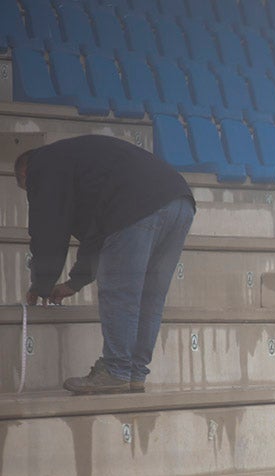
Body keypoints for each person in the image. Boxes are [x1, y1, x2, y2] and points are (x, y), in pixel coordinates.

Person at [16, 134, 196, 394]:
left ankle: (116, 371)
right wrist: (74, 282)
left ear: (25, 173)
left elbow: (48, 227)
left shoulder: (42, 165)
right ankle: (134, 372)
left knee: (121, 293)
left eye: (28, 189)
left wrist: (41, 283)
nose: (33, 192)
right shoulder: (80, 165)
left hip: (136, 203)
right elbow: (97, 234)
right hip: (179, 201)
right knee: (149, 297)